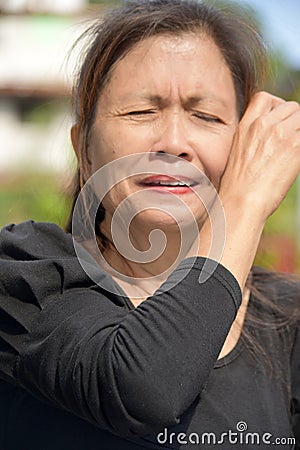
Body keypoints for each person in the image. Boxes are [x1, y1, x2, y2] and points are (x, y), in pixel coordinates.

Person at [0, 0, 299, 448]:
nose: (174, 142)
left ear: (244, 145)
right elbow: (145, 387)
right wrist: (245, 200)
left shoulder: (286, 316)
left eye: (207, 116)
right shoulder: (28, 276)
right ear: (83, 148)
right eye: (141, 111)